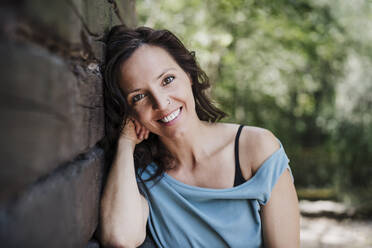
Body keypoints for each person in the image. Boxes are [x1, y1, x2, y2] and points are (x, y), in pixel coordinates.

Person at [99, 25, 300, 248]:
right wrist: (126, 143)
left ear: (189, 75)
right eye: (139, 97)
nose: (161, 102)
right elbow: (120, 237)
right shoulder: (141, 176)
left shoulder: (257, 149)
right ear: (129, 112)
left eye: (167, 80)